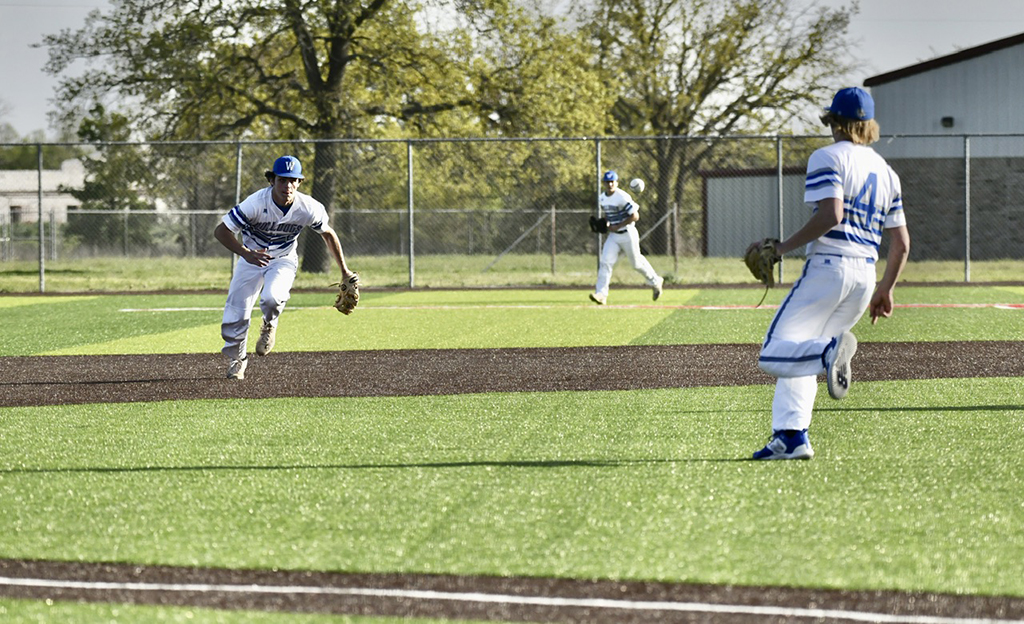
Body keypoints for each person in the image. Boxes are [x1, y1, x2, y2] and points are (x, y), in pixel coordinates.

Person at [749, 87, 910, 460]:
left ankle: (827, 354)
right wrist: (886, 289)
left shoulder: (827, 156)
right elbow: (901, 243)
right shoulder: (888, 173)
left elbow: (831, 215)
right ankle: (791, 437)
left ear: (834, 122)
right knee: (800, 347)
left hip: (829, 267)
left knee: (774, 352)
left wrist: (781, 249)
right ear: (868, 124)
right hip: (864, 276)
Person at [214, 155, 357, 380]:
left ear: (299, 182)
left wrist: (344, 270)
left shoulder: (308, 207)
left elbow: (328, 234)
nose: (287, 186)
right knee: (235, 316)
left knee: (272, 298)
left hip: (283, 258)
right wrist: (245, 253)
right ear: (272, 180)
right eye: (282, 180)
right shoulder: (255, 203)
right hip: (250, 257)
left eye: (292, 181)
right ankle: (238, 361)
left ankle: (269, 325)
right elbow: (221, 231)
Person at [589, 170, 664, 305]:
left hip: (628, 233)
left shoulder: (622, 197)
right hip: (614, 236)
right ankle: (601, 294)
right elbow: (608, 215)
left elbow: (635, 216)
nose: (610, 184)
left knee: (636, 263)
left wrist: (618, 226)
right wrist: (604, 223)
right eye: (607, 182)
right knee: (605, 262)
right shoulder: (602, 198)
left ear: (617, 182)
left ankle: (655, 281)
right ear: (604, 183)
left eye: (613, 181)